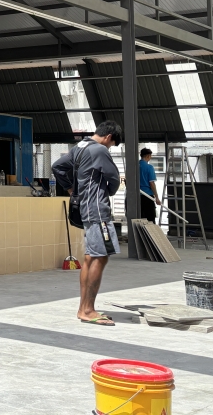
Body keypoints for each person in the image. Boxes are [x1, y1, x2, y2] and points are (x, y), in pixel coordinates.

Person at [74, 120, 123, 326]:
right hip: (97, 210)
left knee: (90, 258)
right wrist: (110, 190)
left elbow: (58, 167)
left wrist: (72, 190)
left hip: (85, 208)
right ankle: (88, 310)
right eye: (111, 144)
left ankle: (83, 308)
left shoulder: (79, 147)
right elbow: (114, 178)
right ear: (109, 137)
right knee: (100, 258)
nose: (109, 147)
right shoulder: (100, 150)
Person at [139, 148, 161, 222]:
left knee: (140, 218)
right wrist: (156, 197)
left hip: (136, 196)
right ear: (148, 156)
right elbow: (151, 183)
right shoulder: (149, 167)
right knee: (150, 218)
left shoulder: (134, 166)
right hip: (147, 196)